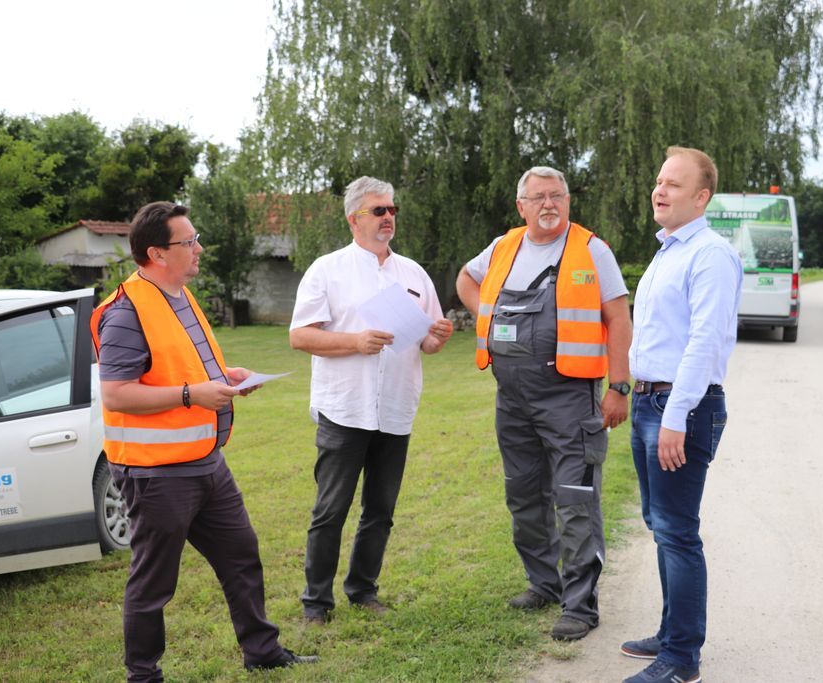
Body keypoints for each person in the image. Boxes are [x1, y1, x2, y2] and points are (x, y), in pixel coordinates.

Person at [90, 201, 316, 681]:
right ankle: (143, 675)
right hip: (156, 474)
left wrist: (227, 376)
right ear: (156, 253)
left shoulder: (181, 295)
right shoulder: (126, 312)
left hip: (206, 463)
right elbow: (116, 393)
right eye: (188, 241)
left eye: (195, 238)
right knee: (154, 584)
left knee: (242, 556)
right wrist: (195, 393)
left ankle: (262, 652)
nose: (199, 248)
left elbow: (182, 365)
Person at [456, 166, 632, 641]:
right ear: (522, 206)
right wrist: (486, 317)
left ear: (568, 202)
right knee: (524, 495)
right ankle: (543, 583)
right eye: (538, 197)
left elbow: (618, 316)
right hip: (511, 399)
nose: (548, 204)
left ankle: (581, 605)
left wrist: (619, 386)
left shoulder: (592, 250)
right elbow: (465, 280)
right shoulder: (502, 247)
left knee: (575, 500)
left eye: (557, 196)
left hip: (570, 399)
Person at [289, 176, 453, 624]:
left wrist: (438, 337)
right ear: (354, 219)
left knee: (380, 510)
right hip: (345, 408)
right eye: (378, 211)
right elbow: (300, 336)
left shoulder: (414, 274)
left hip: (395, 408)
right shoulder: (327, 269)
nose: (388, 218)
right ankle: (316, 603)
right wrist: (355, 342)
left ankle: (363, 590)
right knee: (331, 510)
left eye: (392, 210)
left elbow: (428, 343)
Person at [619, 147, 742, 683]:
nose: (659, 190)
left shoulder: (709, 254)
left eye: (673, 183)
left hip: (680, 407)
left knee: (677, 532)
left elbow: (703, 341)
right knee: (660, 525)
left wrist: (675, 415)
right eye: (658, 180)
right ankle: (671, 635)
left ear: (701, 196)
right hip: (652, 401)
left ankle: (681, 659)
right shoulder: (669, 250)